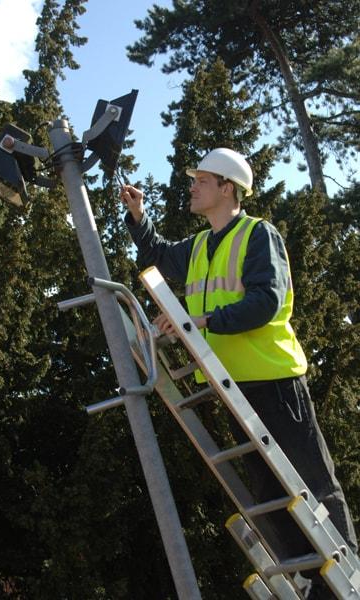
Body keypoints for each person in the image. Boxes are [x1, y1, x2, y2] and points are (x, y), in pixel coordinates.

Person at [121, 148, 358, 599]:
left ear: (227, 187)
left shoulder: (256, 235)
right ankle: (312, 582)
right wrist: (138, 215)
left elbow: (266, 302)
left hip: (273, 379)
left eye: (202, 180)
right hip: (233, 389)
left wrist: (201, 321)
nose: (192, 186)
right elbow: (159, 256)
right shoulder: (197, 248)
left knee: (312, 485)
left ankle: (347, 582)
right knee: (269, 494)